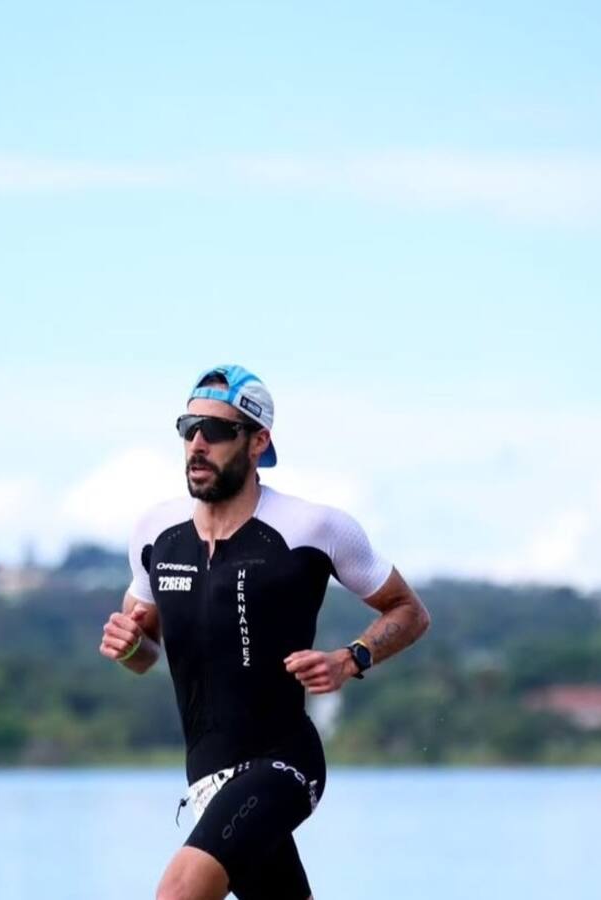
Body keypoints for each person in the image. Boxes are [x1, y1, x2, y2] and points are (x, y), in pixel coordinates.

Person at [100, 364, 431, 900]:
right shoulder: (155, 534)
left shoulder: (313, 528)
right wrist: (130, 647)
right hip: (205, 780)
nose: (198, 443)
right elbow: (144, 654)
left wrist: (351, 658)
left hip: (285, 763)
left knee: (179, 891)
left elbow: (409, 610)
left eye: (216, 430)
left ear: (258, 441)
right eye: (188, 428)